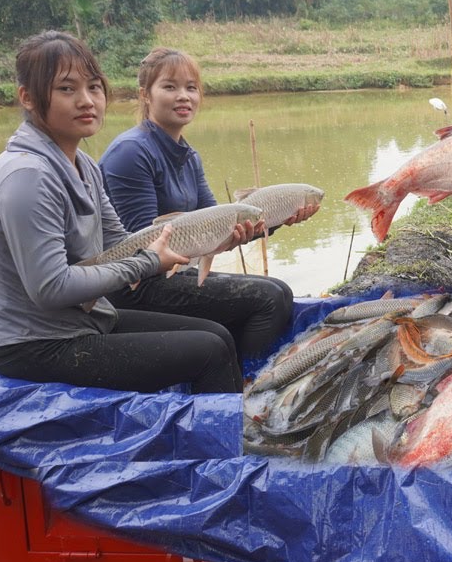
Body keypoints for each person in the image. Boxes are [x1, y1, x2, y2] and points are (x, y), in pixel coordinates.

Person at [0, 31, 243, 394]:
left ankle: (214, 425)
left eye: (94, 87)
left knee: (217, 335)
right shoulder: (27, 176)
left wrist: (205, 240)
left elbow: (118, 242)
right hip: (33, 344)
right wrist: (147, 263)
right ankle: (213, 446)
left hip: (84, 320)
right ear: (28, 98)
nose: (87, 101)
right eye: (67, 89)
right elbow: (51, 288)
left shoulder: (82, 163)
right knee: (207, 352)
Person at [100, 48, 318, 364]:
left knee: (280, 292)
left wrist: (277, 219)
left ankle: (244, 377)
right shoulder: (131, 153)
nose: (183, 96)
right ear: (145, 95)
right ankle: (243, 385)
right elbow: (141, 247)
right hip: (135, 283)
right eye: (170, 87)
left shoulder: (188, 156)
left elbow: (221, 231)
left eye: (191, 87)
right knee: (270, 299)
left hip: (173, 274)